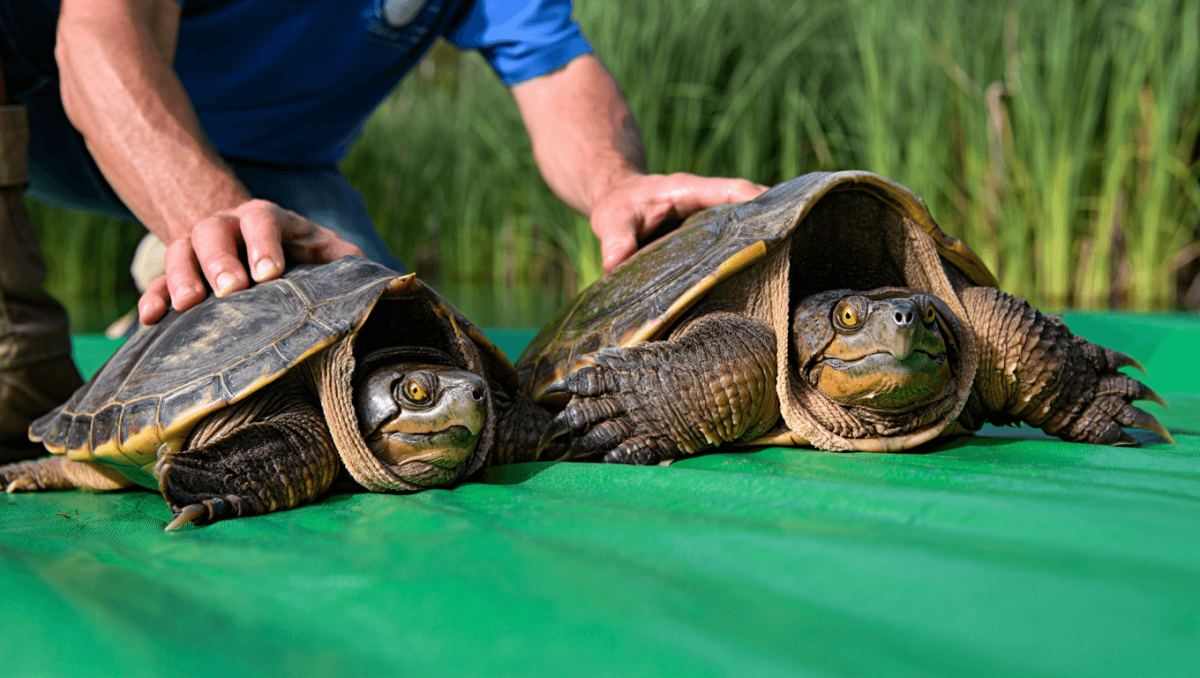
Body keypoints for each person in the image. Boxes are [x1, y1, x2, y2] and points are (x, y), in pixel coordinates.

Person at [0, 0, 766, 458]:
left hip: (279, 180)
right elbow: (99, 38)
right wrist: (206, 217)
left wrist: (614, 181)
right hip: (48, 111)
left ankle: (174, 294)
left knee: (383, 359)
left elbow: (557, 69)